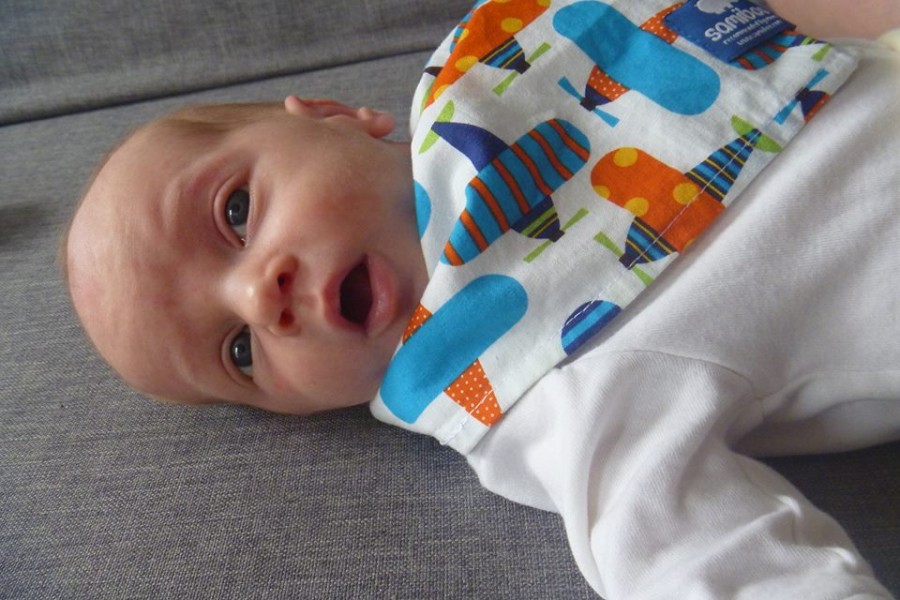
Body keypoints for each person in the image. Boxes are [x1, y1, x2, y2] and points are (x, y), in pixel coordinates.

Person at [65, 0, 900, 597]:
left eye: (236, 211)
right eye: (239, 351)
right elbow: (696, 556)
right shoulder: (531, 390)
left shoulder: (495, 58)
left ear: (335, 116)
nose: (259, 296)